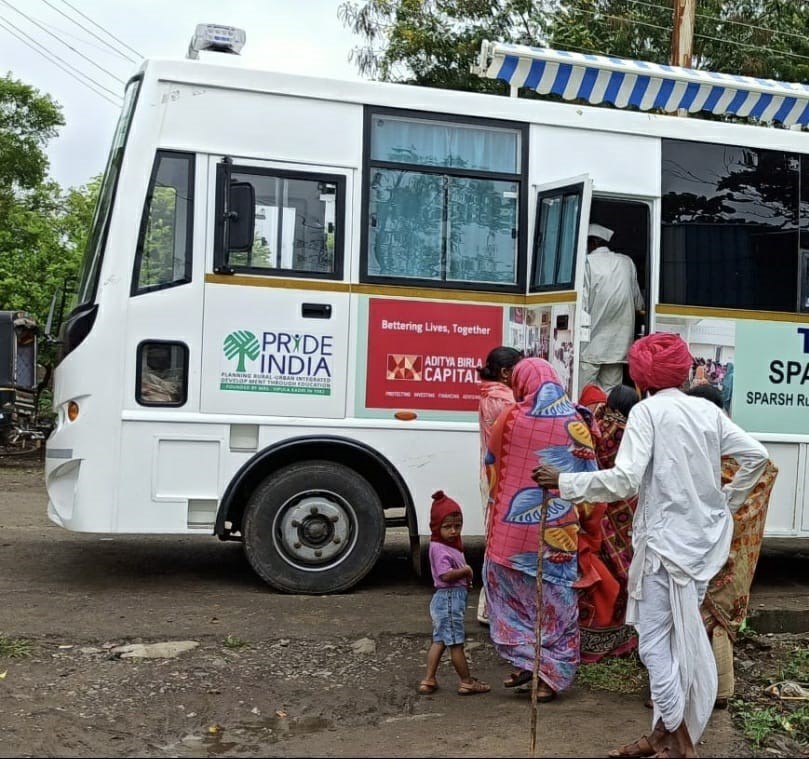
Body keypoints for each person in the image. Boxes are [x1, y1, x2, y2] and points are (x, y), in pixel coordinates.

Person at [532, 332, 768, 758]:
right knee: (679, 643)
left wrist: (564, 482)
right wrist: (725, 503)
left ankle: (678, 739)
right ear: (681, 373)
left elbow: (624, 480)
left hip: (663, 546)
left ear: (641, 380)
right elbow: (757, 456)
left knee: (655, 643)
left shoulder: (647, 412)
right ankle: (663, 734)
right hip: (700, 546)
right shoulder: (706, 411)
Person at [483, 357, 600, 703]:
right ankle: (546, 672)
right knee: (556, 607)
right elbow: (590, 481)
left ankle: (531, 662)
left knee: (513, 603)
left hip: (510, 534)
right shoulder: (576, 422)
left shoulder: (509, 417)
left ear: (521, 383)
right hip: (556, 534)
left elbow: (491, 466)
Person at [686, 383, 778, 709]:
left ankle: (704, 690)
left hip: (711, 547)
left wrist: (723, 507)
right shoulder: (738, 450)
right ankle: (719, 691)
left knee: (701, 617)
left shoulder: (709, 450)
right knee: (716, 619)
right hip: (733, 550)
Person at [578, 384, 641, 663]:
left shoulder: (594, 428)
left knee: (599, 573)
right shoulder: (633, 434)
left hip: (596, 512)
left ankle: (591, 637)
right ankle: (624, 637)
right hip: (625, 513)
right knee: (627, 570)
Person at [418, 490, 491, 697]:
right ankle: (467, 681)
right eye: (447, 527)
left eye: (457, 526)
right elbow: (445, 574)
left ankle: (429, 679)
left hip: (448, 599)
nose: (453, 531)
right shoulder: (439, 548)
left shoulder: (447, 545)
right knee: (456, 643)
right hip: (449, 598)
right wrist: (466, 571)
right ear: (436, 526)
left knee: (440, 640)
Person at [476, 346, 522, 625]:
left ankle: (490, 606)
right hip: (501, 480)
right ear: (506, 373)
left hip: (491, 476)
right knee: (500, 545)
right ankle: (489, 607)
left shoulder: (488, 394)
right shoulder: (504, 400)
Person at [579, 223, 645, 393]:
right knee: (611, 395)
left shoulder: (587, 262)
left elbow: (581, 305)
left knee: (585, 394)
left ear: (592, 242)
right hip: (618, 345)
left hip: (590, 345)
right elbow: (639, 303)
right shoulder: (626, 262)